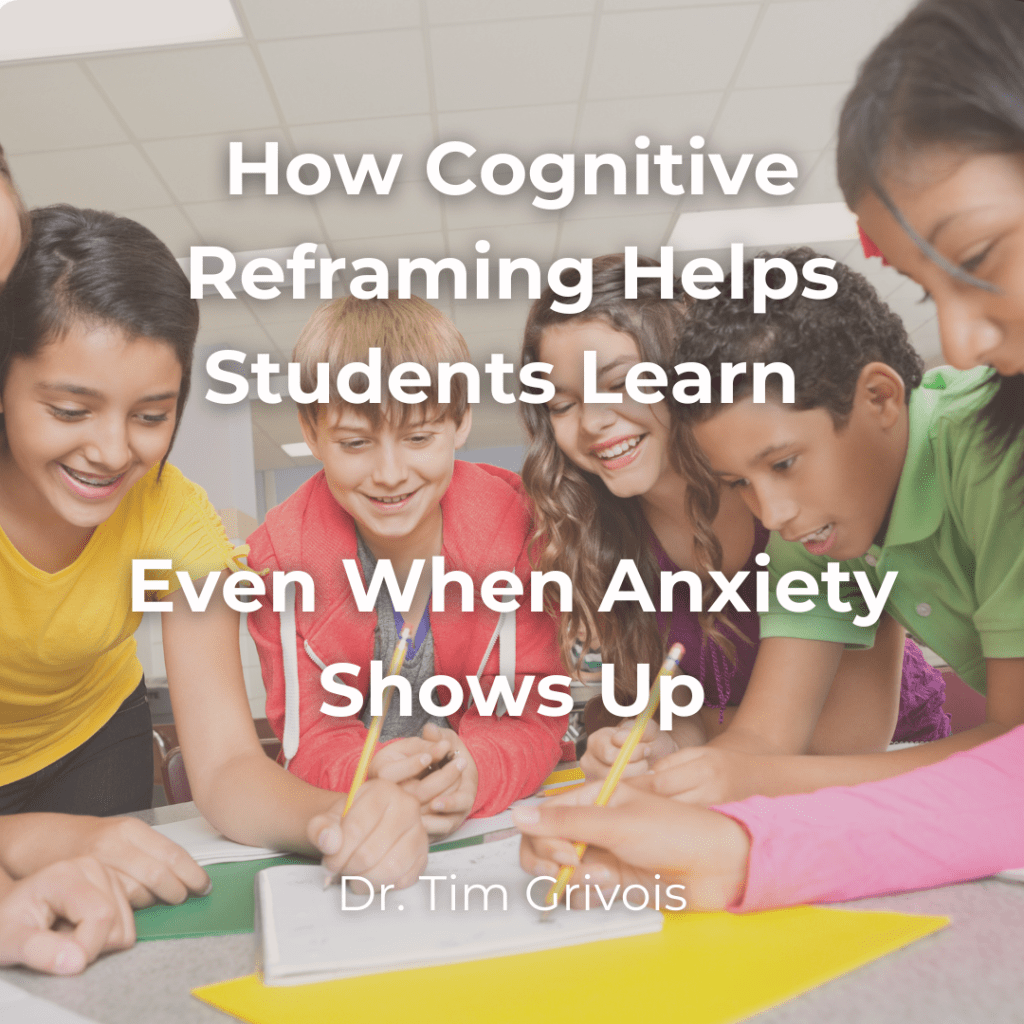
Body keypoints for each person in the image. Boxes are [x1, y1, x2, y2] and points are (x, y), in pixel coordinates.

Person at [0, 205, 428, 916]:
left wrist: (333, 816)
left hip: (91, 746)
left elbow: (227, 763)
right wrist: (24, 839)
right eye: (70, 411)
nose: (113, 451)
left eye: (150, 415)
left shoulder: (173, 516)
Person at [520, 254, 947, 789]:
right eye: (561, 404)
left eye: (620, 382)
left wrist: (701, 729)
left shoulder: (807, 504)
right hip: (734, 776)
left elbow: (843, 738)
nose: (593, 421)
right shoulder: (598, 533)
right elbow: (641, 706)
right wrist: (649, 738)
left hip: (885, 769)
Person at [246, 295, 568, 838]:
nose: (390, 473)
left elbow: (533, 718)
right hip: (362, 827)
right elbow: (310, 738)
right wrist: (366, 773)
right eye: (355, 443)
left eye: (419, 438)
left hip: (490, 830)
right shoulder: (280, 561)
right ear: (311, 432)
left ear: (460, 422)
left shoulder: (521, 534)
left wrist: (475, 771)